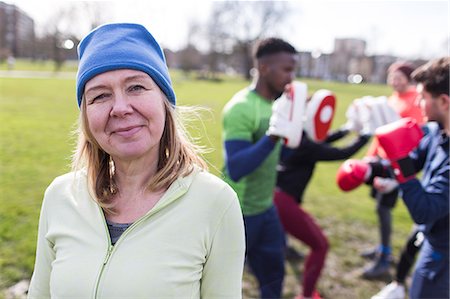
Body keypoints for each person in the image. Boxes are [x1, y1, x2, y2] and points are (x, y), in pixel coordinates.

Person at [27, 23, 246, 298]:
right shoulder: (60, 196)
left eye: (136, 87)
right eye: (100, 95)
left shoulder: (216, 203)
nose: (120, 108)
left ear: (164, 101)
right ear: (86, 115)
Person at [222, 37, 299, 298]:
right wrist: (274, 135)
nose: (292, 77)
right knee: (220, 283)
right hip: (239, 213)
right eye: (287, 69)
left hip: (266, 208)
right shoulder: (241, 108)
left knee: (274, 278)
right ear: (264, 68)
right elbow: (237, 167)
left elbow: (284, 152)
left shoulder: (279, 105)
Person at [374, 57, 449, 299]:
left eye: (423, 97)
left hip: (444, 252)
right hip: (434, 236)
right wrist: (370, 169)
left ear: (444, 101)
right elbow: (412, 160)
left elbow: (424, 210)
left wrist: (400, 163)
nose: (418, 102)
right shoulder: (438, 132)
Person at [275, 119, 370, 299]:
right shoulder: (307, 146)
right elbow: (341, 152)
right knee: (320, 245)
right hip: (284, 202)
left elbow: (323, 140)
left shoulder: (297, 137)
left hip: (276, 197)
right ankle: (307, 295)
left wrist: (346, 129)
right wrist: (366, 135)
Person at [361, 61, 425, 279]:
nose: (394, 81)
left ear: (408, 79)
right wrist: (370, 156)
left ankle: (385, 257)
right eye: (391, 76)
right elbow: (381, 133)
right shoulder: (391, 99)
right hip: (381, 161)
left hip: (396, 164)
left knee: (383, 207)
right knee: (379, 207)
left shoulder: (416, 101)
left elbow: (413, 137)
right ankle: (381, 247)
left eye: (399, 77)